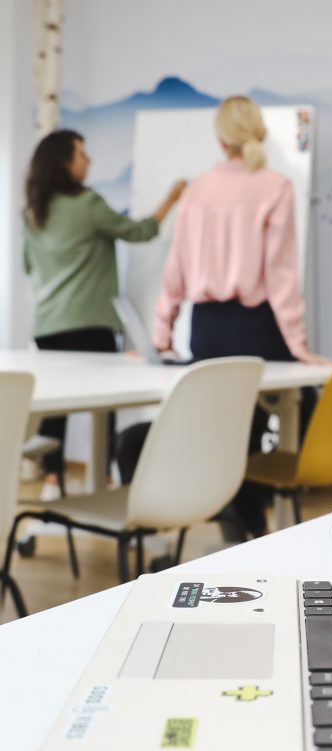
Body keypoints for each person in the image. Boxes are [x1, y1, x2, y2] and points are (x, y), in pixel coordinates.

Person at [123, 95, 323, 538]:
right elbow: (281, 277)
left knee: (219, 427)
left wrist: (160, 337)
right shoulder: (275, 187)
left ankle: (237, 526)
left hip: (207, 329)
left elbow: (175, 273)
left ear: (220, 138)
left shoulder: (197, 191)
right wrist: (299, 345)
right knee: (257, 430)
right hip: (258, 328)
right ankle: (250, 530)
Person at [23, 128, 185, 501]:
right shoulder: (87, 205)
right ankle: (106, 479)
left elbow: (28, 266)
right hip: (89, 323)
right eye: (82, 153)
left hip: (47, 325)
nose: (89, 160)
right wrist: (172, 197)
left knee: (56, 407)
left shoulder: (32, 213)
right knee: (103, 404)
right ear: (64, 162)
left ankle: (52, 481)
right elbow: (140, 231)